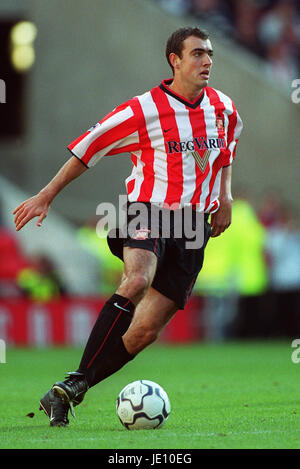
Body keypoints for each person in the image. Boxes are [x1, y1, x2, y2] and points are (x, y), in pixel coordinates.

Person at [13, 27, 243, 427]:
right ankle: (76, 383)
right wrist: (47, 193)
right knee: (136, 280)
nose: (207, 61)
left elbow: (228, 149)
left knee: (143, 334)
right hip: (148, 210)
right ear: (175, 59)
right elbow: (90, 147)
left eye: (210, 54)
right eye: (197, 54)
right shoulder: (144, 109)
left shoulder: (223, 107)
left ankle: (69, 388)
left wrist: (224, 196)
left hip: (192, 227)